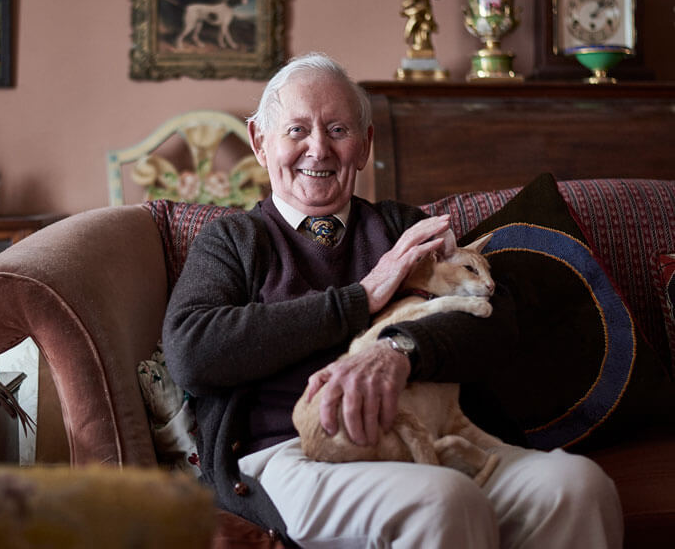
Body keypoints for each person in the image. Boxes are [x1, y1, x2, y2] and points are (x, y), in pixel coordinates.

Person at [162, 52, 623, 548]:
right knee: (441, 499)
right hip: (293, 455)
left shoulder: (400, 227)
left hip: (430, 441)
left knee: (578, 487)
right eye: (297, 130)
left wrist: (398, 349)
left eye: (338, 129)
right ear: (260, 142)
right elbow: (192, 350)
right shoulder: (233, 240)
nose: (318, 148)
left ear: (364, 145)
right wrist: (361, 297)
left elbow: (493, 318)